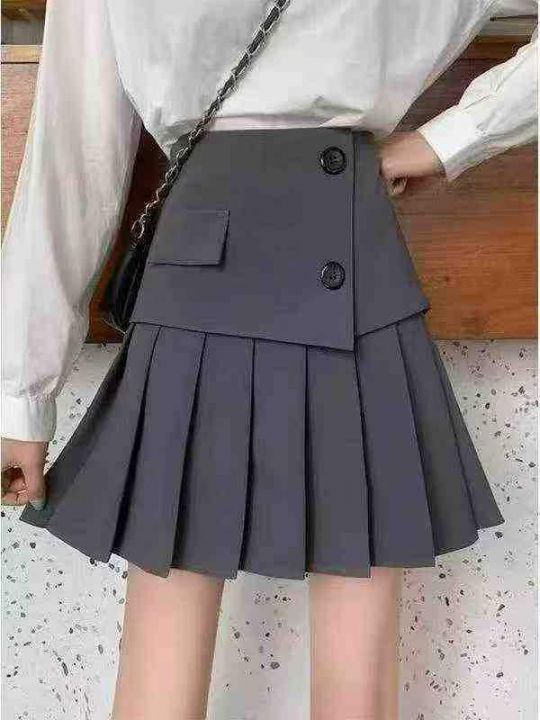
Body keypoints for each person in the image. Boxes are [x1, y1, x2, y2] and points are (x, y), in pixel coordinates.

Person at [1, 1, 537, 718]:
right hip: (289, 260)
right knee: (311, 674)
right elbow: (73, 149)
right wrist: (20, 391)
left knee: (196, 666)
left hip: (280, 264)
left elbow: (73, 152)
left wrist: (23, 395)